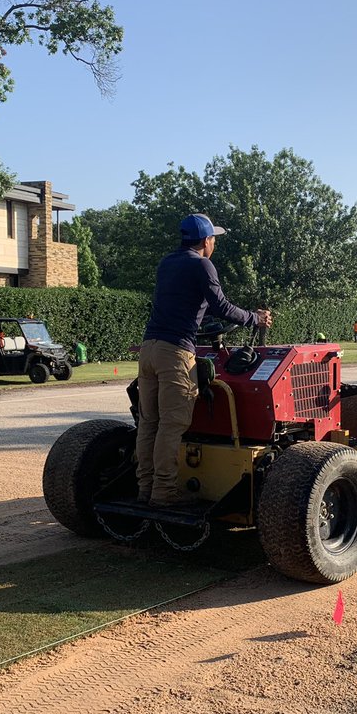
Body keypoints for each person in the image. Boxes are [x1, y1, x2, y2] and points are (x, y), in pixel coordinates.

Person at [136, 214, 271, 507]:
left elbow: (191, 304)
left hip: (149, 349)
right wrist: (254, 318)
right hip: (176, 352)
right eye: (214, 239)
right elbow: (220, 306)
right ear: (206, 240)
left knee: (149, 423)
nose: (214, 244)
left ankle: (145, 488)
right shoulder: (202, 265)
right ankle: (164, 492)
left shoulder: (167, 263)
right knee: (172, 425)